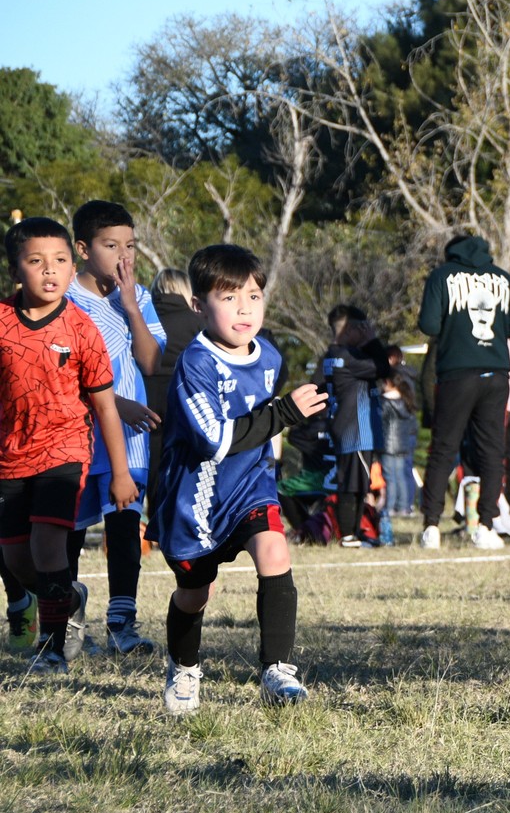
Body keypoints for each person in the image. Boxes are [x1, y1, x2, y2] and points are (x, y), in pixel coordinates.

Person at [151, 244, 329, 714]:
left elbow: (268, 419)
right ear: (198, 306)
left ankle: (278, 671)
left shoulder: (269, 355)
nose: (244, 308)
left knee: (274, 548)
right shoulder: (196, 363)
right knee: (195, 593)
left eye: (253, 296)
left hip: (250, 484)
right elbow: (212, 440)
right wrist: (284, 412)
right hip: (197, 496)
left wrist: (295, 418)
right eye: (228, 298)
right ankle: (184, 668)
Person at [0, 217, 136, 674]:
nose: (50, 270)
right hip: (10, 457)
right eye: (36, 261)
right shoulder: (1, 322)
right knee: (18, 561)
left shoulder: (81, 328)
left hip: (65, 451)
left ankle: (52, 649)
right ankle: (69, 595)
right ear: (16, 269)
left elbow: (106, 409)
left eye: (59, 260)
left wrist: (120, 473)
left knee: (47, 546)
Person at [64, 199, 167, 656]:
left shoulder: (140, 297)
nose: (124, 256)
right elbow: (61, 372)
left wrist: (130, 306)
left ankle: (122, 625)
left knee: (125, 527)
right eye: (111, 245)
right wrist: (114, 403)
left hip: (130, 439)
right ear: (83, 249)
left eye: (131, 245)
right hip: (77, 431)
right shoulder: (62, 296)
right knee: (67, 527)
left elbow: (149, 360)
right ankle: (64, 615)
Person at [416, 235, 510, 551]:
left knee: (443, 448)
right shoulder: (503, 278)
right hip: (495, 373)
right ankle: (486, 526)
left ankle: (431, 526)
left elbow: (429, 325)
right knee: (493, 452)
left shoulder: (442, 276)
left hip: (456, 372)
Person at [318, 306, 391, 549]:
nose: (366, 332)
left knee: (359, 483)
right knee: (352, 484)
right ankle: (348, 534)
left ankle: (355, 532)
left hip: (347, 427)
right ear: (350, 329)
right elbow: (383, 368)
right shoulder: (348, 357)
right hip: (356, 431)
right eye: (362, 328)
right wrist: (372, 341)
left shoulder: (331, 354)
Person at [146, 267, 205, 506]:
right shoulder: (197, 321)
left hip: (145, 394)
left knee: (150, 458)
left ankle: (151, 514)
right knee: (180, 457)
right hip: (183, 393)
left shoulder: (142, 317)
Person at [378, 368, 420, 523]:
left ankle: (389, 507)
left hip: (388, 445)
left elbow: (379, 422)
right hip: (403, 445)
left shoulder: (385, 402)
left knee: (390, 478)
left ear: (388, 383)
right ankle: (403, 506)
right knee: (401, 477)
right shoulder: (406, 402)